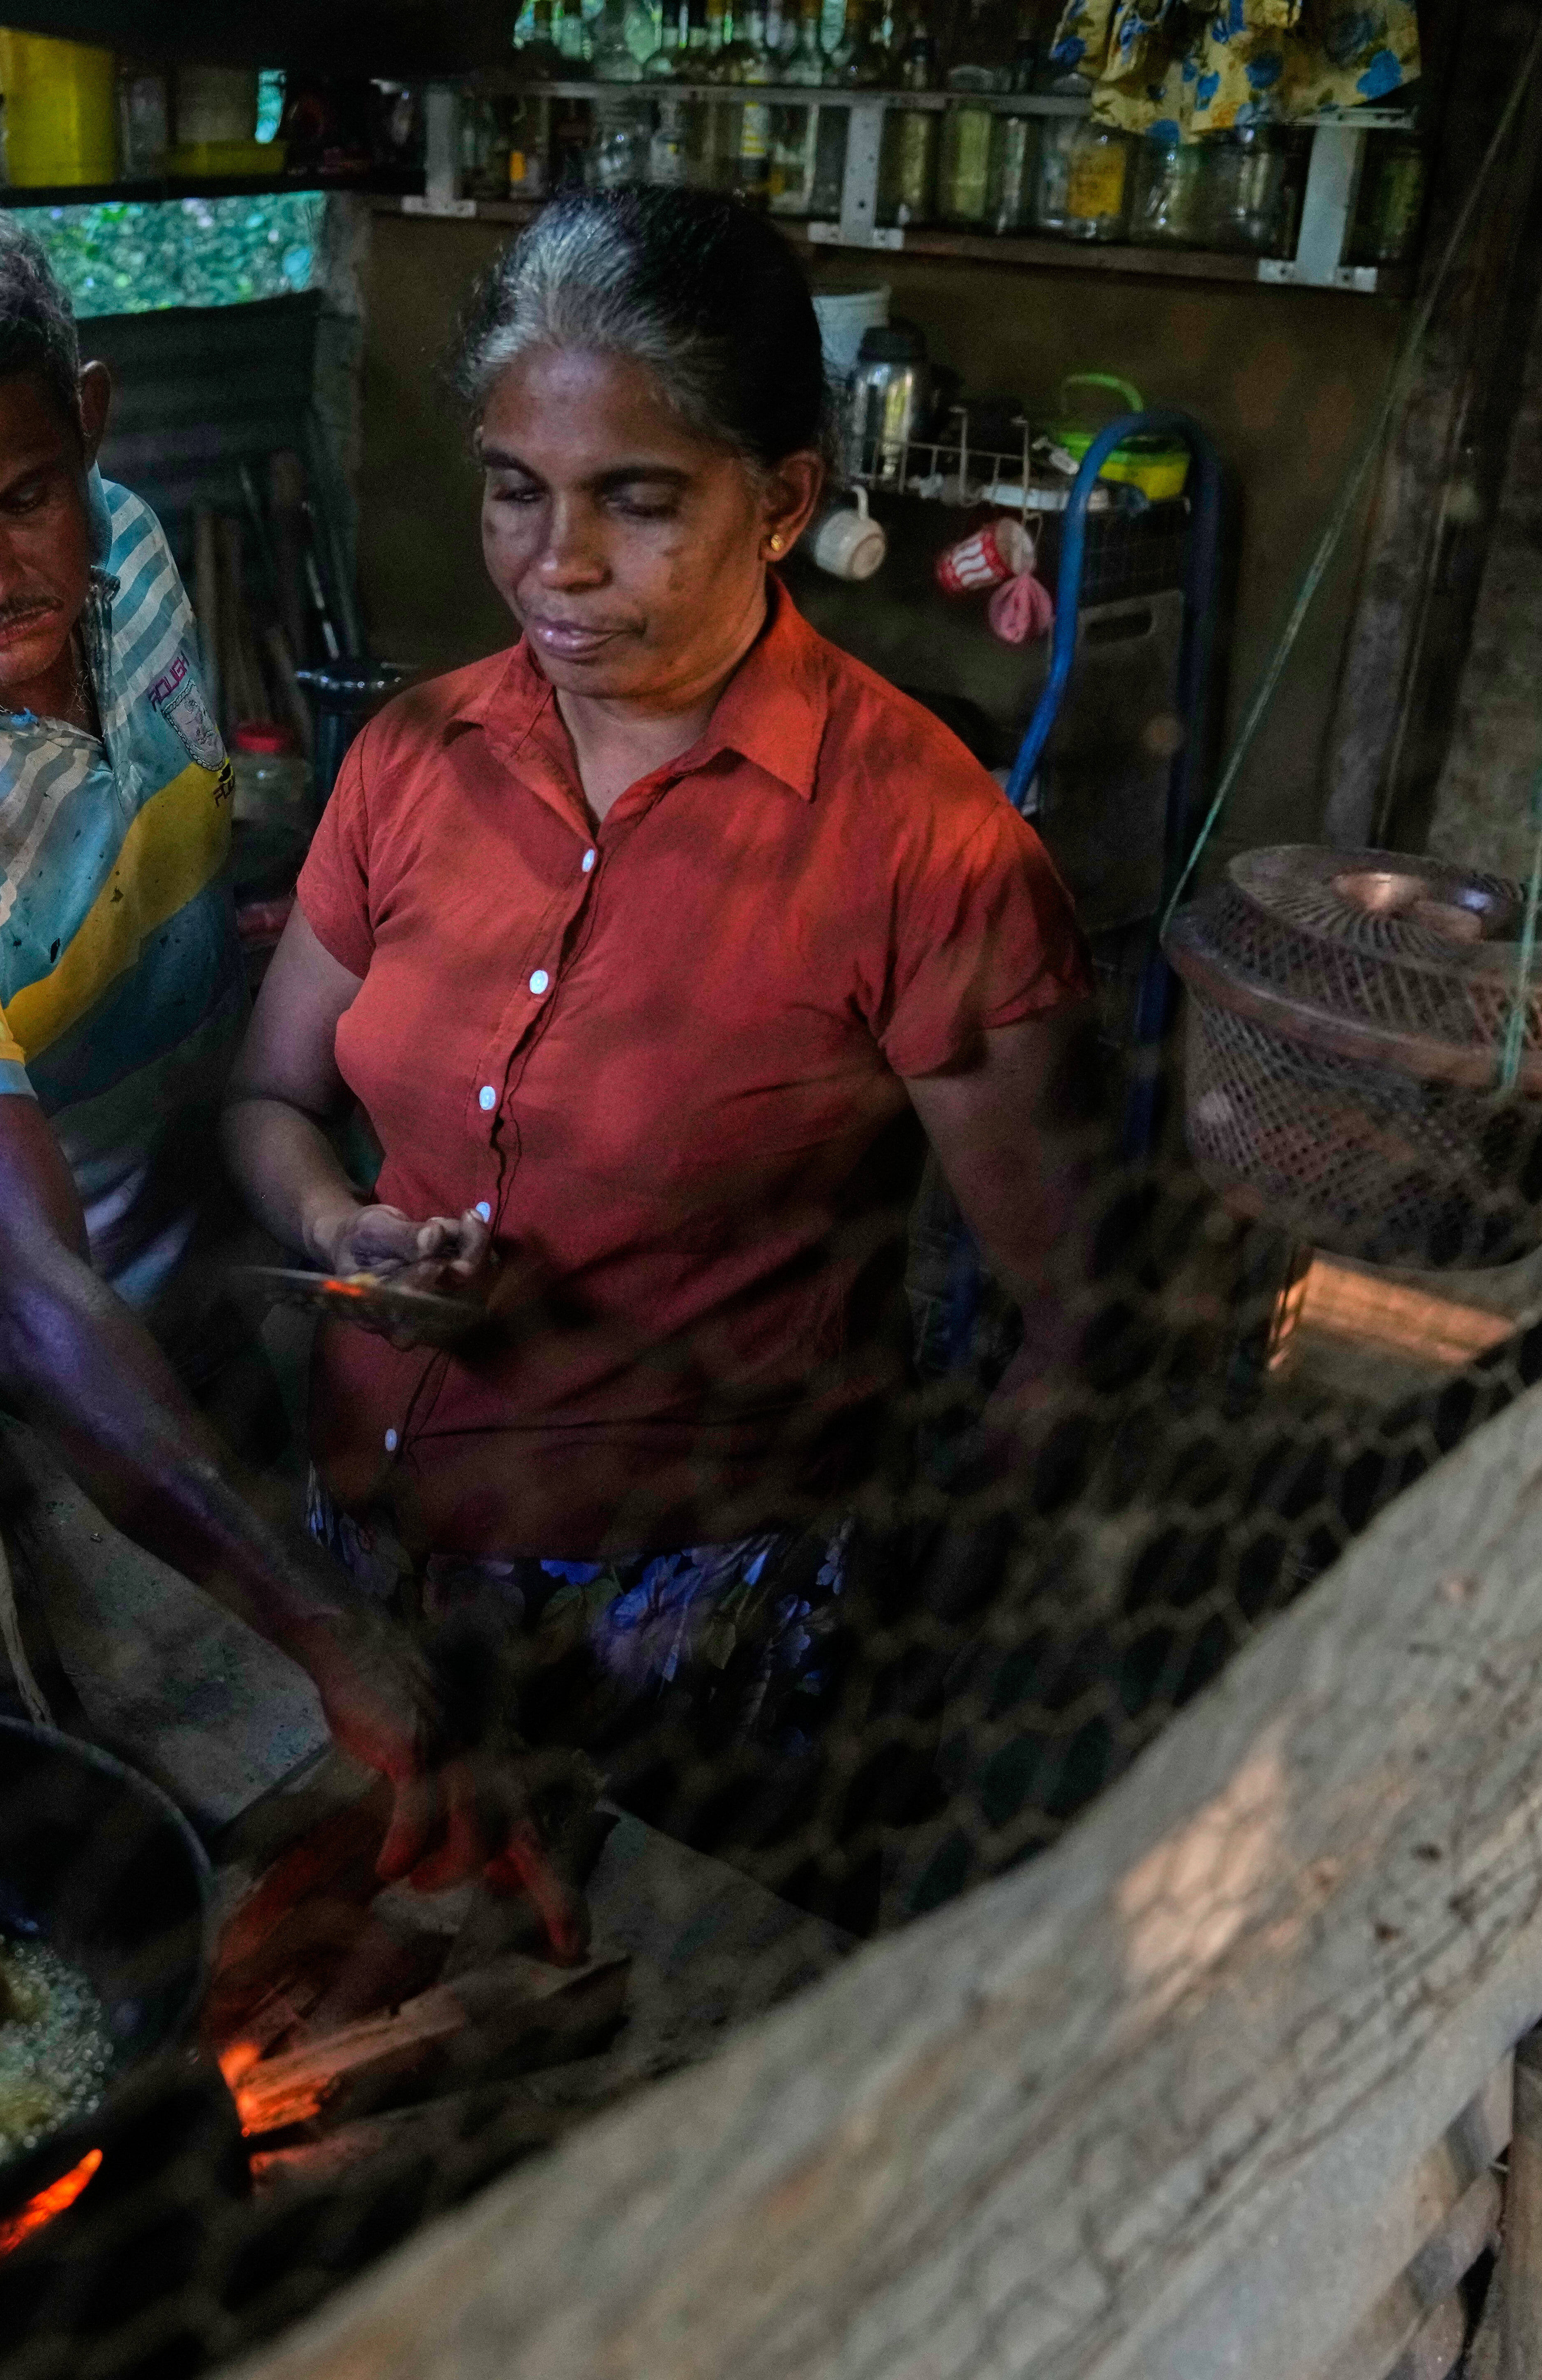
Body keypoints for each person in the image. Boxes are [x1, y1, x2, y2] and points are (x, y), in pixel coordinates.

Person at [0, 181, 581, 1952]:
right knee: (183, 1794)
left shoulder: (118, 546)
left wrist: (306, 1177)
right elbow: (31, 1279)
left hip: (230, 1224)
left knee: (390, 1723)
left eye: (23, 496)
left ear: (91, 429)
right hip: (41, 1361)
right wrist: (319, 1624)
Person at [224, 189, 1098, 1769]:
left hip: (694, 1613)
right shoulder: (410, 762)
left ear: (780, 503)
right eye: (514, 493)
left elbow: (1064, 1315)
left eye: (634, 500)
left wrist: (944, 1600)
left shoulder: (923, 842)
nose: (555, 566)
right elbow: (271, 1097)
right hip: (371, 1538)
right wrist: (342, 1229)